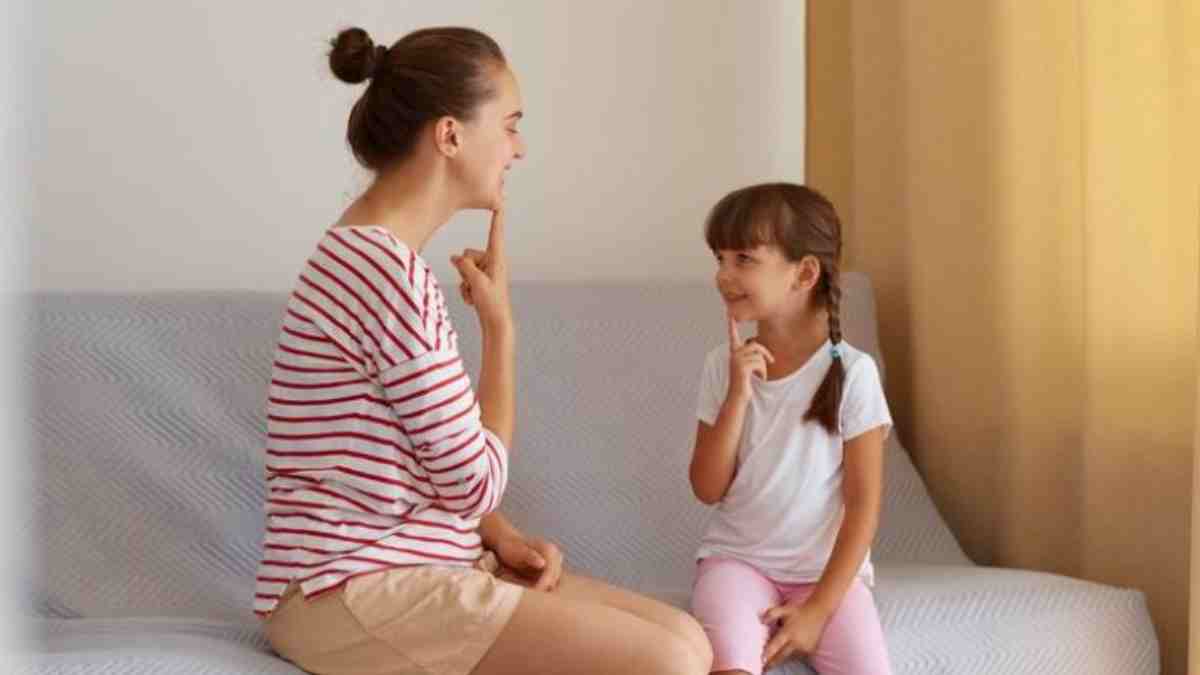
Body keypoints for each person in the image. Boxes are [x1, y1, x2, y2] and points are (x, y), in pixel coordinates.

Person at [254, 25, 712, 675]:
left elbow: (428, 465)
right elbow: (475, 483)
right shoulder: (388, 275)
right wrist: (501, 331)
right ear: (450, 135)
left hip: (402, 568)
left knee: (688, 638)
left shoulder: (368, 254)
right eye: (510, 126)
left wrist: (500, 535)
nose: (518, 149)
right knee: (669, 660)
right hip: (349, 590)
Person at [688, 183, 893, 674]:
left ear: (804, 273)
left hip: (825, 577)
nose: (723, 275)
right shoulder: (721, 366)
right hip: (737, 562)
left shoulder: (855, 374)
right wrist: (738, 396)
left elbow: (863, 506)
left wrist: (818, 610)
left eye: (743, 259)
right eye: (719, 258)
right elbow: (706, 488)